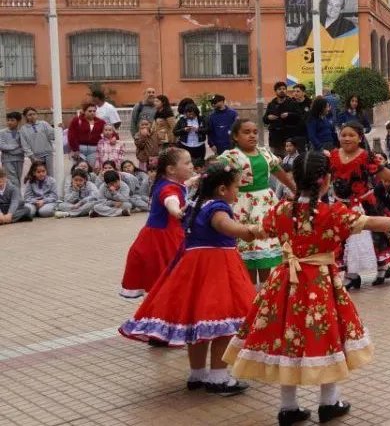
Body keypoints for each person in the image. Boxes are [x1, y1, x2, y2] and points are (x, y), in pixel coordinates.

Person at [225, 151, 390, 426]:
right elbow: (372, 222)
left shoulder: (281, 210)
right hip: (319, 283)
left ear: (296, 178)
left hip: (285, 283)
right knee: (327, 336)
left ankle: (288, 407)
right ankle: (329, 402)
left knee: (286, 337)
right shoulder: (332, 213)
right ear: (327, 179)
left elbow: (258, 230)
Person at [119, 162, 260, 397]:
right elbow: (227, 227)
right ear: (222, 189)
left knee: (198, 325)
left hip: (193, 268)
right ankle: (218, 377)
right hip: (218, 270)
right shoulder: (218, 208)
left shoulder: (196, 203)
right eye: (236, 187)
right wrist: (252, 230)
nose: (238, 191)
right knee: (223, 325)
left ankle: (197, 374)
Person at [326, 121, 390, 288]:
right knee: (344, 239)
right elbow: (325, 177)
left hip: (366, 205)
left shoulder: (366, 156)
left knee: (376, 237)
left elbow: (383, 172)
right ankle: (351, 274)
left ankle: (383, 266)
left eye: (351, 135)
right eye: (343, 135)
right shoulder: (333, 155)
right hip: (341, 206)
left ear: (360, 138)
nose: (347, 138)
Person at [216, 119, 297, 286]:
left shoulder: (265, 153)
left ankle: (265, 289)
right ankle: (250, 289)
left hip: (266, 203)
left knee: (265, 244)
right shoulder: (231, 156)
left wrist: (294, 189)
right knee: (248, 246)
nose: (252, 135)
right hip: (242, 205)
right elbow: (214, 172)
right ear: (235, 136)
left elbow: (278, 172)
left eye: (254, 132)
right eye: (246, 132)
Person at [119, 148, 191, 300]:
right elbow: (170, 199)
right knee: (168, 277)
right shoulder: (168, 188)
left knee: (168, 280)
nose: (191, 166)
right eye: (187, 163)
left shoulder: (168, 181)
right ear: (171, 169)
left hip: (164, 235)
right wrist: (176, 211)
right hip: (162, 241)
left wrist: (198, 179)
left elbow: (184, 185)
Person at [264, 82, 303, 157]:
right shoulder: (271, 104)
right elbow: (264, 120)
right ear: (275, 91)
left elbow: (299, 116)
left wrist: (289, 114)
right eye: (279, 89)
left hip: (288, 138)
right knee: (275, 160)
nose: (282, 91)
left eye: (284, 89)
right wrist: (269, 117)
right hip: (274, 138)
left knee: (289, 159)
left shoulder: (292, 103)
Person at [19, 107, 55, 179]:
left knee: (50, 175)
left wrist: (58, 128)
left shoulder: (43, 124)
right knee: (39, 176)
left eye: (34, 114)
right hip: (36, 157)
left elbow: (52, 136)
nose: (32, 116)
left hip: (48, 154)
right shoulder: (23, 129)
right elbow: (25, 145)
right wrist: (32, 157)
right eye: (30, 115)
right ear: (25, 116)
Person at [67, 102, 106, 167]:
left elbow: (109, 131)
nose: (92, 113)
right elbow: (71, 136)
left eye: (94, 111)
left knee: (91, 169)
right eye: (90, 111)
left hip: (94, 150)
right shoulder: (77, 120)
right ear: (84, 111)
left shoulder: (101, 122)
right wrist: (75, 149)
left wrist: (114, 137)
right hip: (80, 149)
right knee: (80, 169)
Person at [0, 112, 25, 183]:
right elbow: (2, 146)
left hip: (19, 159)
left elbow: (24, 147)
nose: (9, 122)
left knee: (18, 179)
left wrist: (11, 151)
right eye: (8, 120)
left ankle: (17, 191)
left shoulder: (22, 132)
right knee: (12, 180)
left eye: (12, 120)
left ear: (18, 121)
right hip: (7, 160)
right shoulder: (2, 132)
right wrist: (15, 146)